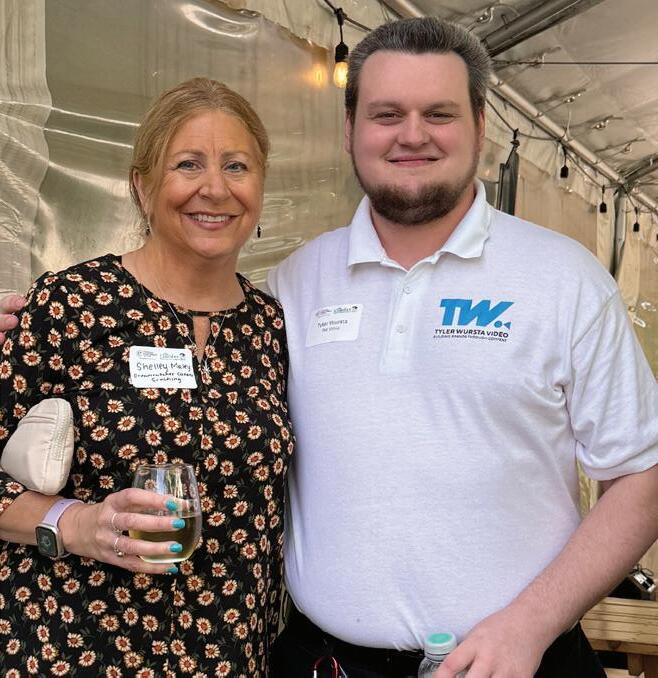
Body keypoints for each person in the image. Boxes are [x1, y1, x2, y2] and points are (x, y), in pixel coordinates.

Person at [264, 17, 658, 678]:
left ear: (479, 125)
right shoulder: (294, 282)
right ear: (350, 127)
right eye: (387, 114)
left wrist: (529, 624)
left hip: (521, 661)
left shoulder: (562, 278)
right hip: (324, 662)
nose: (412, 134)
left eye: (438, 113)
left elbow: (642, 473)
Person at [0, 77, 292, 676]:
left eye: (237, 166)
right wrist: (74, 523)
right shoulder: (71, 305)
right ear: (142, 184)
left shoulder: (272, 328)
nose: (216, 188)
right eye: (188, 164)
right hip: (74, 649)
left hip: (231, 654)